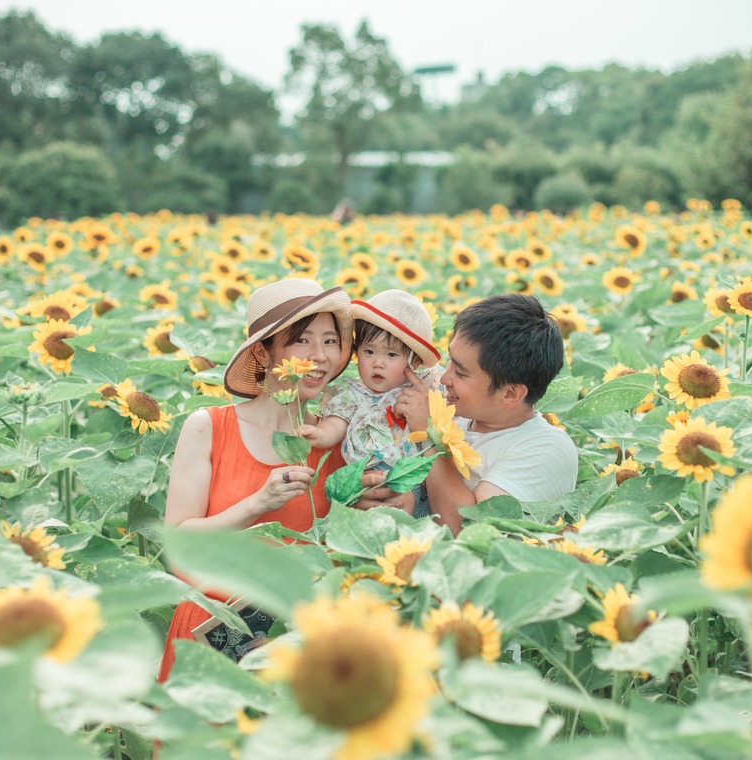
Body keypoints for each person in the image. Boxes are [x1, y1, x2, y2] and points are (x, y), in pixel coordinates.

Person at [157, 278, 354, 679]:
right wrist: (258, 503)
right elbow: (177, 545)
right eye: (302, 341)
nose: (319, 356)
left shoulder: (335, 439)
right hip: (211, 630)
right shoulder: (209, 427)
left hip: (299, 638)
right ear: (264, 352)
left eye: (330, 341)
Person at [358, 294, 578, 534]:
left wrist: (428, 433)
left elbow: (466, 531)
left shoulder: (547, 449)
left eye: (461, 373)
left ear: (510, 394)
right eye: (450, 361)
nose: (444, 378)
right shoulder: (455, 408)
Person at [300, 290, 444, 514]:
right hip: (365, 476)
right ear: (356, 352)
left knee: (414, 520)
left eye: (391, 355)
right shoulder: (351, 393)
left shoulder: (421, 392)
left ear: (414, 361)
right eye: (369, 351)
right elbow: (337, 423)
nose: (378, 363)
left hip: (413, 477)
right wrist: (320, 434)